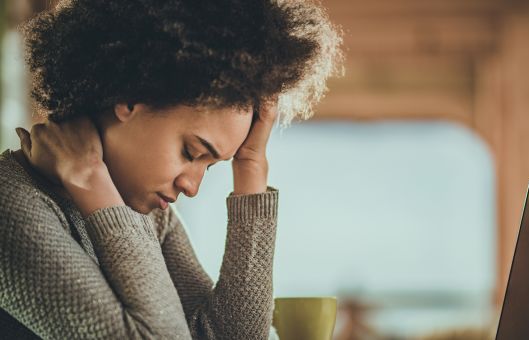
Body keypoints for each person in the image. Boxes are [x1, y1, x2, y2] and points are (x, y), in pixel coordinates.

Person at [0, 0, 343, 339]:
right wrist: (89, 179)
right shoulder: (9, 204)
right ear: (130, 97)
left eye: (210, 167)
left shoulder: (147, 213)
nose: (192, 187)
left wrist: (251, 166)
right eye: (191, 151)